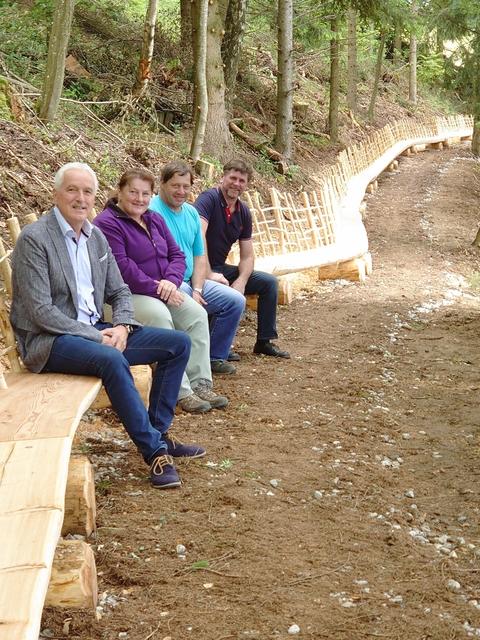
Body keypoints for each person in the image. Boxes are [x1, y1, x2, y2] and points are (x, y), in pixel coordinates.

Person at [10, 162, 205, 490]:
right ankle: (154, 452)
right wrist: (96, 334)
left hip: (98, 329)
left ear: (96, 195)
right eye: (72, 189)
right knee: (111, 358)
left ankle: (158, 431)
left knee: (177, 344)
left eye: (87, 191)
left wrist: (124, 326)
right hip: (51, 341)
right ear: (56, 193)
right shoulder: (35, 239)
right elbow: (41, 311)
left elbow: (120, 291)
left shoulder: (95, 236)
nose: (80, 198)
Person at [94, 168, 228, 413]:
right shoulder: (106, 223)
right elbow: (123, 268)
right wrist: (160, 288)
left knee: (196, 315)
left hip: (164, 289)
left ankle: (200, 383)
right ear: (120, 192)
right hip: (122, 296)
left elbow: (177, 255)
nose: (140, 199)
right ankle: (180, 391)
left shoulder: (153, 218)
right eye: (133, 192)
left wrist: (170, 281)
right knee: (159, 315)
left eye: (146, 193)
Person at [150, 161, 245, 374]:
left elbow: (199, 255)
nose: (181, 191)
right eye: (175, 186)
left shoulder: (191, 213)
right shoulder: (151, 211)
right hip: (167, 283)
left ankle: (215, 357)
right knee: (194, 310)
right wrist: (189, 291)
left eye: (186, 186)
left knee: (235, 300)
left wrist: (198, 288)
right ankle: (189, 371)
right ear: (162, 184)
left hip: (192, 281)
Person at [194, 159, 290, 359]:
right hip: (197, 266)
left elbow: (247, 255)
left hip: (220, 267)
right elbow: (198, 236)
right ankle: (216, 347)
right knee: (218, 288)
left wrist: (241, 281)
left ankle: (264, 341)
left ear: (246, 185)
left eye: (242, 181)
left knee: (269, 283)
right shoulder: (209, 199)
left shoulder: (243, 211)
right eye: (233, 178)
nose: (236, 184)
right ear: (223, 177)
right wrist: (207, 272)